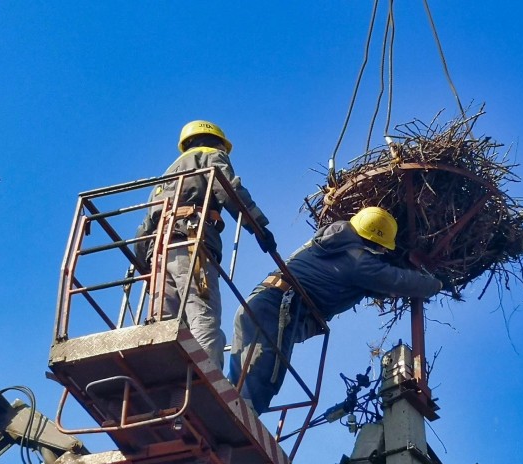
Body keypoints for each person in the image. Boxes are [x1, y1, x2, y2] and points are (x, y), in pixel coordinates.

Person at [229, 206, 443, 414]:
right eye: (383, 247)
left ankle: (227, 413)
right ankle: (237, 424)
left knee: (239, 379)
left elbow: (360, 284)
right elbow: (400, 281)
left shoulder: (328, 242)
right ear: (375, 241)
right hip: (276, 312)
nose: (385, 251)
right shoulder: (360, 263)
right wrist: (436, 284)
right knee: (266, 376)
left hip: (256, 303)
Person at [135, 120, 276, 370]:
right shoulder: (211, 155)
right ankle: (207, 377)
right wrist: (259, 227)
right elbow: (229, 189)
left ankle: (161, 377)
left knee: (163, 323)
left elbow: (144, 226)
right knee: (203, 314)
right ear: (218, 142)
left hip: (158, 253)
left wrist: (144, 268)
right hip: (192, 245)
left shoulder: (168, 174)